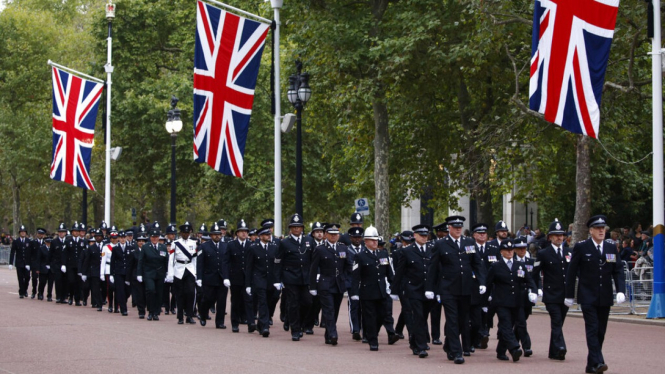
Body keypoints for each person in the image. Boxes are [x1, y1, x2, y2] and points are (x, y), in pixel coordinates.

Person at [565, 215, 626, 374]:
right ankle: (599, 362)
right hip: (587, 295)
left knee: (600, 331)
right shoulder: (582, 247)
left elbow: (618, 270)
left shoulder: (611, 247)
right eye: (598, 228)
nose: (601, 231)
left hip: (604, 296)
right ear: (590, 230)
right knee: (592, 329)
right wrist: (569, 294)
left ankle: (591, 365)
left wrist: (620, 290)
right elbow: (571, 272)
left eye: (603, 228)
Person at [425, 215, 485, 364]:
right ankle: (457, 352)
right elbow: (433, 268)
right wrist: (430, 288)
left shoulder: (469, 242)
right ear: (449, 228)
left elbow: (477, 263)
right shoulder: (440, 244)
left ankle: (449, 345)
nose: (458, 229)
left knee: (463, 320)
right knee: (452, 320)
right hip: (447, 288)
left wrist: (482, 282)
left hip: (465, 288)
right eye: (455, 227)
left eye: (460, 227)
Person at [485, 239, 537, 362]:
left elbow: (529, 280)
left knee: (518, 324)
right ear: (501, 252)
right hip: (501, 302)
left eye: (511, 250)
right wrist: (485, 301)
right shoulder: (496, 266)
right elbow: (488, 284)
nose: (510, 252)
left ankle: (500, 351)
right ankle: (514, 348)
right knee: (506, 325)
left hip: (517, 302)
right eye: (507, 250)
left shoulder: (519, 265)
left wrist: (533, 291)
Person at [349, 226, 398, 351]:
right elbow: (355, 276)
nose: (375, 242)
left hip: (382, 291)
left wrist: (394, 288)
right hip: (367, 292)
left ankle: (372, 333)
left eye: (376, 240)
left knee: (382, 315)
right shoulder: (360, 256)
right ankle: (373, 340)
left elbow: (389, 273)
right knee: (369, 317)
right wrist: (354, 292)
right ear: (365, 241)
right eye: (372, 240)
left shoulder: (383, 254)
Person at [392, 224, 434, 358]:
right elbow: (400, 272)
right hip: (413, 289)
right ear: (415, 236)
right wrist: (395, 289)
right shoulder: (407, 251)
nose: (424, 237)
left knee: (423, 317)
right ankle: (421, 346)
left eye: (425, 235)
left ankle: (414, 341)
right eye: (421, 235)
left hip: (428, 289)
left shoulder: (432, 250)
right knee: (418, 316)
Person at [533, 218, 571, 361]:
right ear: (550, 237)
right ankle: (561, 347)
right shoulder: (543, 253)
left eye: (561, 235)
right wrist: (537, 289)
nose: (559, 237)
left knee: (559, 323)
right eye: (556, 235)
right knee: (556, 321)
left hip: (565, 295)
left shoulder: (569, 252)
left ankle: (553, 351)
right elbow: (535, 273)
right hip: (551, 294)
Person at [308, 224, 351, 345]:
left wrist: (347, 281)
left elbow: (348, 266)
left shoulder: (343, 248)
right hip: (325, 283)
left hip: (339, 284)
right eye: (331, 234)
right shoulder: (320, 249)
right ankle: (333, 333)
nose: (333, 236)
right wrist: (312, 286)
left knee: (335, 310)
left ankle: (328, 334)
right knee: (329, 309)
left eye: (336, 234)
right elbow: (313, 268)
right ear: (326, 235)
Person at [274, 213, 315, 341]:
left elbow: (314, 259)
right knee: (293, 304)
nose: (297, 229)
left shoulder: (309, 241)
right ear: (290, 228)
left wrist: (316, 274)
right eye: (294, 227)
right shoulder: (285, 242)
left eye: (299, 226)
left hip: (305, 277)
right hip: (290, 277)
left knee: (307, 302)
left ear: (302, 228)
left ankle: (300, 323)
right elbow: (278, 261)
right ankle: (295, 330)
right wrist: (277, 280)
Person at [245, 227, 280, 337]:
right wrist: (248, 284)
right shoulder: (253, 248)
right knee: (262, 301)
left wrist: (279, 280)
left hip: (271, 280)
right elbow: (249, 267)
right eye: (265, 234)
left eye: (269, 234)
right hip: (259, 279)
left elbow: (278, 265)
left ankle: (260, 324)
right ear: (260, 236)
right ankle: (265, 326)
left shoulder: (274, 248)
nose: (268, 236)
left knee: (270, 301)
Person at [197, 222, 231, 328]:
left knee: (221, 301)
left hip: (222, 277)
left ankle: (220, 322)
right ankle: (203, 314)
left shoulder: (226, 246)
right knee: (207, 299)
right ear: (211, 235)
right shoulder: (204, 246)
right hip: (209, 277)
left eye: (218, 234)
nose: (217, 236)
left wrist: (227, 276)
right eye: (214, 234)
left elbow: (228, 262)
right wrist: (199, 278)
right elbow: (200, 263)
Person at [166, 222, 199, 324]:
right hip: (178, 270)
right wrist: (170, 274)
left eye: (187, 232)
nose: (185, 234)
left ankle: (189, 315)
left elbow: (195, 259)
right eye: (184, 232)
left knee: (190, 293)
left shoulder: (193, 243)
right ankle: (180, 316)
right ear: (180, 233)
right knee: (179, 294)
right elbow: (171, 259)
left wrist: (196, 272)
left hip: (189, 269)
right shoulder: (175, 243)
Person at [470, 223, 494, 351]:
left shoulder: (493, 248)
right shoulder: (470, 248)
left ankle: (484, 334)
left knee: (488, 313)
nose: (482, 235)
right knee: (475, 315)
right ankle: (477, 337)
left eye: (484, 233)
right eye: (479, 233)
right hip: (474, 286)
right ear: (474, 235)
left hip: (490, 286)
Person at [137, 223, 170, 321]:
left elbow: (166, 261)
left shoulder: (163, 247)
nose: (155, 239)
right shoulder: (145, 247)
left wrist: (168, 273)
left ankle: (156, 312)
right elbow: (141, 261)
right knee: (151, 291)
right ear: (150, 237)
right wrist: (139, 273)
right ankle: (150, 311)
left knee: (159, 293)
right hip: (149, 273)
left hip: (160, 273)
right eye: (153, 237)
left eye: (156, 237)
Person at [227, 219, 254, 332]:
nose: (244, 233)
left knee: (249, 300)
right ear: (237, 233)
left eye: (246, 231)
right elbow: (227, 262)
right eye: (241, 231)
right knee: (236, 301)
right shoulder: (231, 245)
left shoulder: (251, 245)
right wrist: (226, 277)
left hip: (248, 278)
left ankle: (251, 322)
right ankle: (235, 323)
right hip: (235, 277)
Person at [512, 236, 536, 357]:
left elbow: (534, 278)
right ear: (515, 249)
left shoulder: (531, 261)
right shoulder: (512, 261)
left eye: (524, 248)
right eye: (519, 248)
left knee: (521, 320)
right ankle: (526, 346)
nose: (522, 250)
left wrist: (537, 290)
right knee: (521, 322)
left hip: (527, 296)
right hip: (514, 296)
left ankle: (513, 342)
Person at [345, 227, 364, 340]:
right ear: (350, 238)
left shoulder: (365, 250)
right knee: (354, 306)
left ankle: (363, 328)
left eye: (359, 237)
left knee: (364, 306)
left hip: (365, 282)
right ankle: (355, 329)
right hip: (351, 282)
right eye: (355, 237)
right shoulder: (346, 250)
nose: (357, 239)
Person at [110, 231, 132, 316]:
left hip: (127, 273)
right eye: (121, 238)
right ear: (119, 238)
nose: (123, 239)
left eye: (124, 238)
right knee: (120, 291)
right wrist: (111, 274)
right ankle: (123, 309)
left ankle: (123, 301)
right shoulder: (115, 248)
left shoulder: (130, 247)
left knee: (127, 291)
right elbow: (112, 262)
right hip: (119, 272)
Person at [81, 232, 102, 311]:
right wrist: (84, 272)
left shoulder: (106, 246)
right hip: (95, 270)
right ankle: (98, 304)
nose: (98, 238)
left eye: (100, 236)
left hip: (105, 270)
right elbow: (87, 260)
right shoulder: (91, 248)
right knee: (95, 288)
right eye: (97, 236)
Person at [129, 227, 148, 318]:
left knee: (146, 293)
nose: (141, 242)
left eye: (143, 241)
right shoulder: (134, 252)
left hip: (147, 274)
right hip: (136, 275)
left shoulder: (148, 251)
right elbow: (130, 265)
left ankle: (145, 306)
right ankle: (141, 311)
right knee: (139, 293)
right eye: (139, 240)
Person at [9, 224, 31, 299]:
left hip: (27, 263)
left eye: (24, 232)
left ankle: (24, 289)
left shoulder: (29, 241)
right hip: (19, 263)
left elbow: (30, 253)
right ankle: (21, 292)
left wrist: (30, 263)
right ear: (19, 233)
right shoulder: (16, 241)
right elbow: (12, 252)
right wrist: (10, 263)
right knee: (20, 278)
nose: (23, 233)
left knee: (27, 277)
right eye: (21, 232)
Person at [51, 224, 68, 303]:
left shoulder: (68, 241)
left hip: (66, 264)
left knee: (65, 281)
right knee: (58, 281)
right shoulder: (54, 242)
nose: (61, 233)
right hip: (57, 264)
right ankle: (58, 296)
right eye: (60, 232)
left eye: (63, 232)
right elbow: (51, 254)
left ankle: (64, 297)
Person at [36, 236, 54, 301]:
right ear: (45, 242)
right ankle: (40, 293)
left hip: (51, 268)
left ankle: (49, 295)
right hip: (43, 267)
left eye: (50, 242)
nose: (49, 244)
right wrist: (38, 269)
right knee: (42, 282)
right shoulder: (41, 248)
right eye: (47, 242)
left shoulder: (53, 249)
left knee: (50, 283)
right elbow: (38, 259)